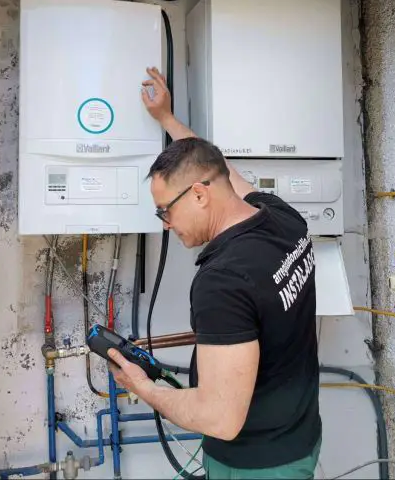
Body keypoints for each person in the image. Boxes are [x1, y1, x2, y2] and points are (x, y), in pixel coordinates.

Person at [108, 67, 321, 479]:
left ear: (200, 195)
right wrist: (166, 119)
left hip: (257, 466)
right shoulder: (282, 217)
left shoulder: (222, 282)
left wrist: (142, 388)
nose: (165, 224)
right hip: (299, 436)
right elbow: (218, 168)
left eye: (164, 211)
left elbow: (220, 419)